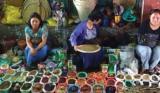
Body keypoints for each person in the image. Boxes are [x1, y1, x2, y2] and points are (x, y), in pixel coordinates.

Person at [136, 9, 160, 73]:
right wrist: (152, 43)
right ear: (150, 17)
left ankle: (151, 68)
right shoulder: (145, 24)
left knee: (159, 50)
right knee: (148, 49)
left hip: (154, 48)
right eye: (153, 17)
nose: (155, 19)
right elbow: (140, 40)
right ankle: (144, 68)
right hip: (142, 47)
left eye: (158, 18)